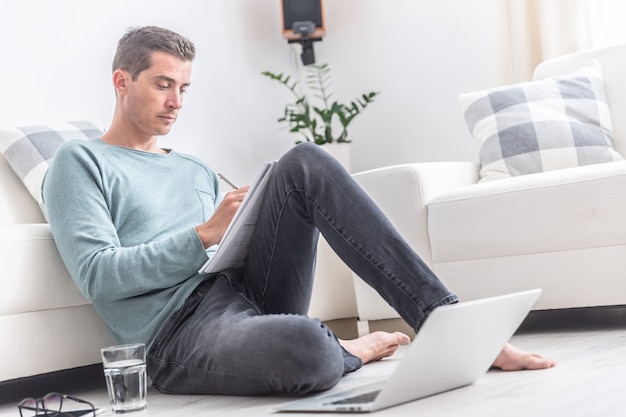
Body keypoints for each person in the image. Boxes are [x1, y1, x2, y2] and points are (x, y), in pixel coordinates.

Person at [42, 26, 555, 396]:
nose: (177, 100)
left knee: (304, 161)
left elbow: (224, 247)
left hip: (243, 294)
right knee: (307, 347)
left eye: (184, 88)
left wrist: (241, 223)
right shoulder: (80, 162)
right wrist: (204, 233)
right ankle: (346, 349)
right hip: (176, 335)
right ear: (121, 81)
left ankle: (445, 319)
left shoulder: (193, 167)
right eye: (162, 84)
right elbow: (99, 276)